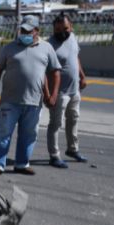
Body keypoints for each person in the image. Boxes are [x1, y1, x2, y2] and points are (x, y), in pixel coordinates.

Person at [0, 15, 61, 176]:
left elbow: (54, 72)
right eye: (22, 30)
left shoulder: (47, 48)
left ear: (37, 31)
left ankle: (22, 163)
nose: (24, 33)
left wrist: (52, 94)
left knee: (28, 135)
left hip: (34, 102)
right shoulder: (9, 48)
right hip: (10, 100)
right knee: (3, 134)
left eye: (29, 30)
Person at [46, 14, 88, 169]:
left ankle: (73, 149)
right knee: (55, 124)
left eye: (65, 28)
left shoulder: (73, 38)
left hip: (74, 90)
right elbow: (44, 72)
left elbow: (75, 58)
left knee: (73, 119)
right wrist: (48, 93)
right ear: (53, 29)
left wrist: (82, 77)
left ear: (71, 27)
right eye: (57, 29)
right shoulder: (48, 45)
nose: (61, 32)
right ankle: (54, 155)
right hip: (59, 92)